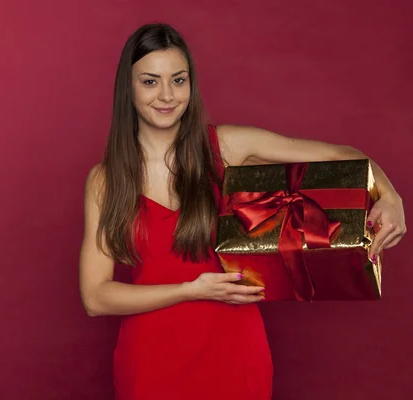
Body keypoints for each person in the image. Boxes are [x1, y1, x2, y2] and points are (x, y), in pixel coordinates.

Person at [78, 23, 406, 400]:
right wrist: (190, 290)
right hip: (150, 361)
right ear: (128, 87)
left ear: (191, 84)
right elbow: (96, 296)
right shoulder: (104, 180)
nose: (167, 95)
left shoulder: (226, 146)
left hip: (234, 352)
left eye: (178, 80)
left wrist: (390, 195)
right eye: (150, 81)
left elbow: (341, 155)